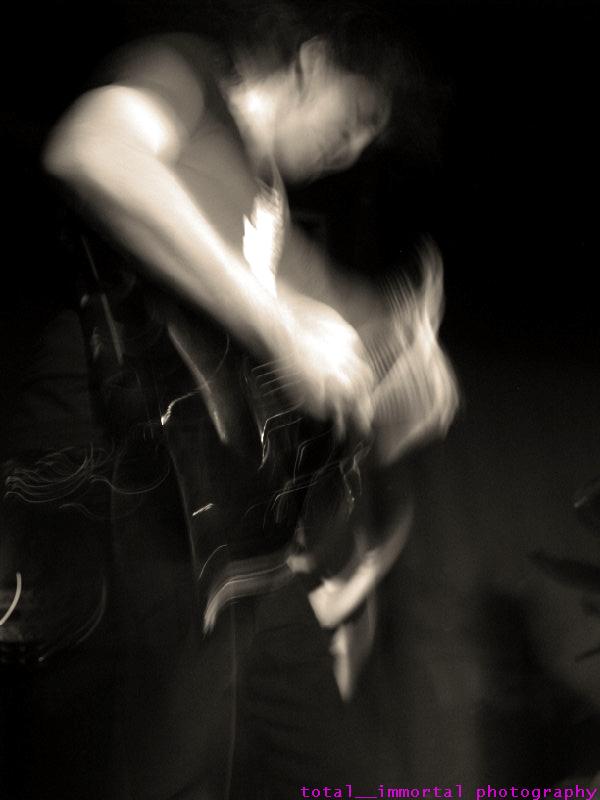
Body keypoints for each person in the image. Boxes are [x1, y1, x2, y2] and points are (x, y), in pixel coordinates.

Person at [0, 4, 457, 799]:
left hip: (234, 537)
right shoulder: (186, 73)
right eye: (354, 117)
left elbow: (334, 340)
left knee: (336, 772)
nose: (350, 151)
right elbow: (93, 147)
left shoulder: (265, 202)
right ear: (313, 62)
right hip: (114, 488)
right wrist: (278, 325)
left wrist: (400, 374)